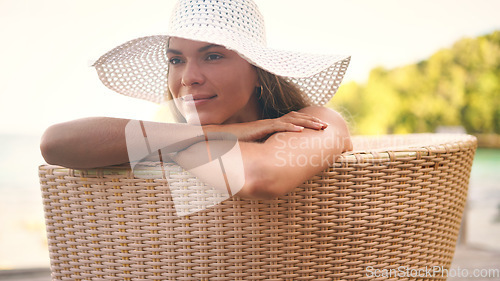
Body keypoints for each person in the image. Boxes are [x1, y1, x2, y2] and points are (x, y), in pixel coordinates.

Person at [40, 0, 353, 200]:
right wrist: (218, 133)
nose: (188, 77)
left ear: (259, 71)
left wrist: (188, 145)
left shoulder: (315, 122)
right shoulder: (180, 140)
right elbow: (55, 142)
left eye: (213, 55)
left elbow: (261, 176)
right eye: (176, 60)